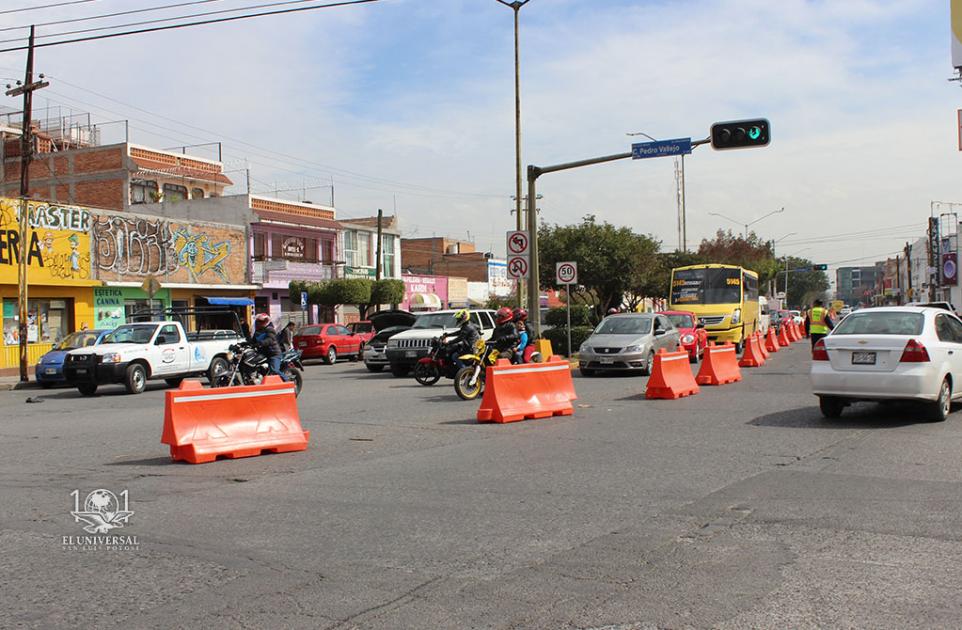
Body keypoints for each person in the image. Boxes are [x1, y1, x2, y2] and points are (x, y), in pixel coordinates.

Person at [252, 313, 288, 381]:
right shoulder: (257, 331)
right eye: (258, 321)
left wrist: (260, 343)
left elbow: (270, 339)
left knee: (274, 370)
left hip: (273, 353)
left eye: (262, 321)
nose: (259, 323)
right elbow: (252, 341)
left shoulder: (270, 329)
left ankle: (287, 381)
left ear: (267, 321)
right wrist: (243, 344)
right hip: (263, 354)